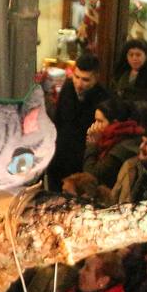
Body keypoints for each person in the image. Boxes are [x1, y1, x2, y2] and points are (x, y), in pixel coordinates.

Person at [47, 53, 110, 191]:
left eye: (85, 80)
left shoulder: (104, 100)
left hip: (80, 165)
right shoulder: (68, 87)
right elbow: (57, 121)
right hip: (59, 159)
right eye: (76, 77)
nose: (79, 84)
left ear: (96, 78)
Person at [84, 97, 146, 190]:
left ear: (115, 123)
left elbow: (92, 175)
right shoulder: (108, 140)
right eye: (95, 120)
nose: (94, 126)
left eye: (100, 121)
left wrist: (92, 143)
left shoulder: (124, 146)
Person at [110, 38, 147, 121]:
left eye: (138, 55)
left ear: (146, 55)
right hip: (125, 123)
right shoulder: (121, 74)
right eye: (131, 55)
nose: (134, 58)